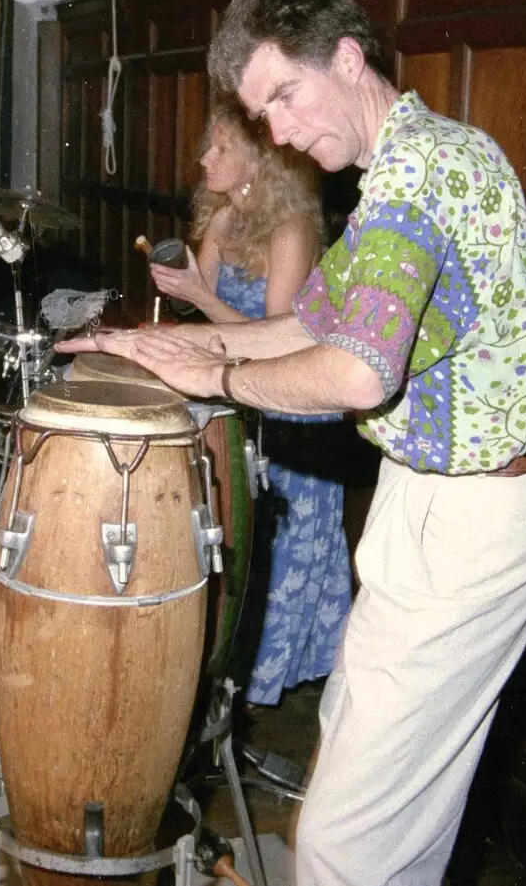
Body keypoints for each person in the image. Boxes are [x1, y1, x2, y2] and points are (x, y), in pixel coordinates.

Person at [59, 0, 526, 886]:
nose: (280, 132)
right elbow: (310, 325)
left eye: (286, 97)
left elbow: (353, 373)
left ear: (346, 54)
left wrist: (218, 370)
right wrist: (188, 354)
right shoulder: (397, 179)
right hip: (430, 505)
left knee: (348, 840)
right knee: (362, 793)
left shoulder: (422, 174)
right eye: (264, 116)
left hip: (473, 523)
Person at [150, 97, 352, 707]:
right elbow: (204, 313)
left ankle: (251, 701)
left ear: (258, 163)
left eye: (218, 147)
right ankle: (222, 685)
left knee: (273, 558)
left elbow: (274, 340)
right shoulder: (220, 220)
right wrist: (181, 289)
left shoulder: (291, 232)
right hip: (239, 400)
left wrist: (200, 300)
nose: (203, 156)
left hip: (289, 410)